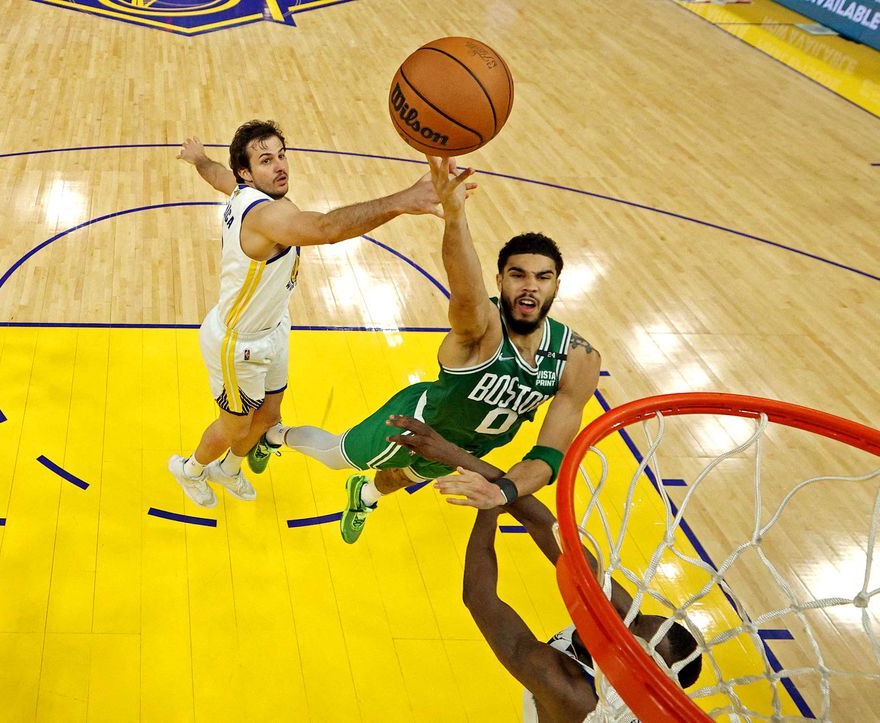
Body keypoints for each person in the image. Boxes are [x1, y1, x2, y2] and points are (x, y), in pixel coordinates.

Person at [259, 155, 601, 543]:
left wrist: (501, 491)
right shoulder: (482, 328)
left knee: (398, 478)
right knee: (338, 455)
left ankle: (365, 497)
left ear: (556, 285)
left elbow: (549, 456)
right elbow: (466, 296)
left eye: (543, 277)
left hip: (466, 448)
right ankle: (274, 436)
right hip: (415, 424)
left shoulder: (578, 359)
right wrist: (455, 217)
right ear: (500, 280)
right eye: (517, 275)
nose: (530, 286)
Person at [168, 120, 449, 508]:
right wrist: (402, 200)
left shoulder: (242, 190)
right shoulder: (265, 217)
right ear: (247, 173)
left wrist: (199, 159)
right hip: (239, 345)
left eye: (282, 155)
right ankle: (191, 469)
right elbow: (327, 227)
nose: (280, 166)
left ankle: (228, 470)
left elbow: (218, 175)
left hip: (273, 328)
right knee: (236, 429)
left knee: (268, 418)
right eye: (266, 160)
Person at [384, 414, 703, 722]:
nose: (624, 621)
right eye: (635, 621)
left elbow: (480, 598)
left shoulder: (569, 690)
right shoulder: (626, 624)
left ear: (633, 669)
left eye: (631, 633)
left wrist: (488, 511)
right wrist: (454, 454)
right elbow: (545, 528)